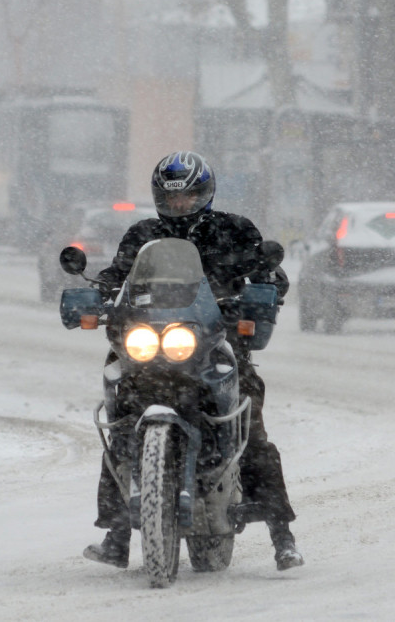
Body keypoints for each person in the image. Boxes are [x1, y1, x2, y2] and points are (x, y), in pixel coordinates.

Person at [82, 151, 304, 571]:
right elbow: (118, 276)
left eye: (188, 196)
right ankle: (116, 534)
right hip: (149, 345)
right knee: (121, 425)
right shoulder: (142, 235)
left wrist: (264, 288)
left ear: (205, 193)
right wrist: (96, 293)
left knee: (249, 427)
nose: (179, 205)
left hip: (212, 343)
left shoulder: (233, 230)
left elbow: (270, 274)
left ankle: (282, 535)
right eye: (170, 198)